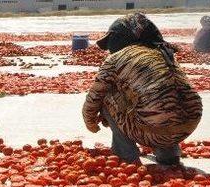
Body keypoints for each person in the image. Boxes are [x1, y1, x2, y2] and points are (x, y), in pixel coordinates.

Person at [83, 13, 202, 166]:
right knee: (165, 98)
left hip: (153, 130)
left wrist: (91, 124)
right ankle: (169, 155)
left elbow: (93, 98)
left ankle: (126, 155)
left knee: (105, 96)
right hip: (188, 125)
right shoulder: (166, 52)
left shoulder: (116, 59)